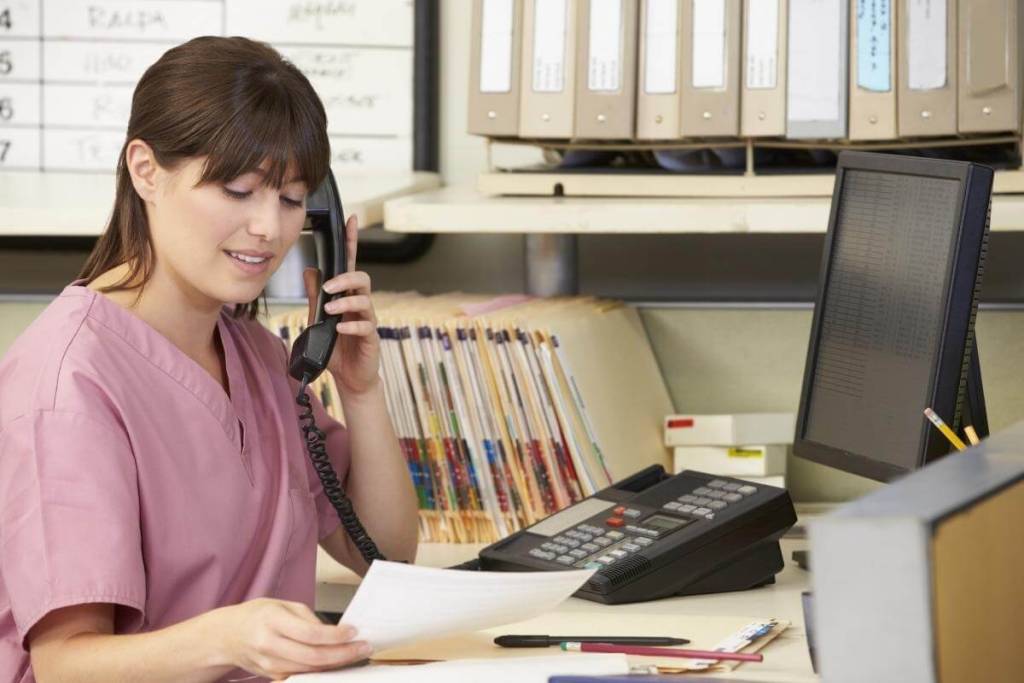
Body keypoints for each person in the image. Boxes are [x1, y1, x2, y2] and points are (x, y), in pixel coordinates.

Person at [0, 36, 418, 682]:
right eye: (238, 190)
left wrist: (361, 391)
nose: (268, 229)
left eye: (289, 199)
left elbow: (388, 555)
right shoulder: (69, 382)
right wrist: (229, 637)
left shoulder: (258, 355)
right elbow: (65, 665)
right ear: (146, 171)